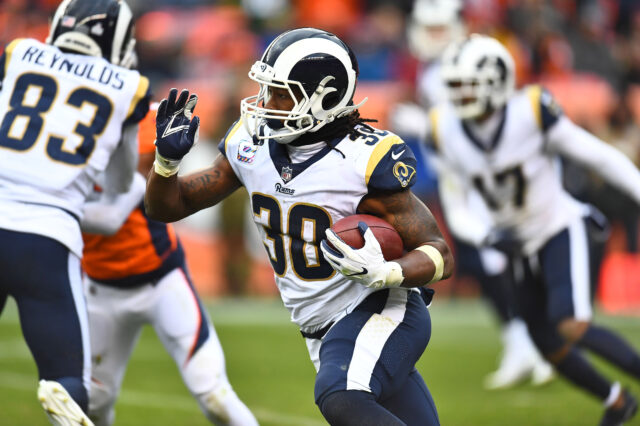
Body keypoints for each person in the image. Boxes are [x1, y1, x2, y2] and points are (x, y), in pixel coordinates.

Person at [144, 28, 454, 426]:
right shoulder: (251, 145)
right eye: (266, 90)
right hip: (320, 327)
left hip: (377, 309)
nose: (266, 103)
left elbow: (438, 253)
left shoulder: (362, 159)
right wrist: (166, 164)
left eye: (280, 93)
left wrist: (385, 272)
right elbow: (169, 206)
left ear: (324, 97)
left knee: (341, 397)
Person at [430, 34, 640, 425]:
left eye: (466, 85)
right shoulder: (445, 129)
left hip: (560, 227)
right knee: (547, 345)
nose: (457, 95)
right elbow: (455, 206)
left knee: (571, 324)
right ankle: (616, 402)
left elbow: (599, 157)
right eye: (453, 85)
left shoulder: (530, 111)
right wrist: (487, 236)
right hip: (514, 244)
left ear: (495, 81)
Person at [391, 0, 553, 390]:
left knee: (507, 260)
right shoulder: (434, 68)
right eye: (427, 29)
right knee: (486, 264)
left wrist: (420, 123)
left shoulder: (469, 62)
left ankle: (539, 342)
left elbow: (473, 121)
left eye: (439, 28)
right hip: (460, 178)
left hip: (487, 179)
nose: (433, 37)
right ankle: (521, 341)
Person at [0, 0, 149, 425]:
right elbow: (120, 184)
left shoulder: (19, 52)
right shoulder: (128, 86)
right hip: (46, 237)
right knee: (67, 379)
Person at [80, 104, 259, 426]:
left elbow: (126, 201)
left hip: (161, 278)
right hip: (98, 285)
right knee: (93, 404)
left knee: (214, 395)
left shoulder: (143, 118)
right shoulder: (45, 135)